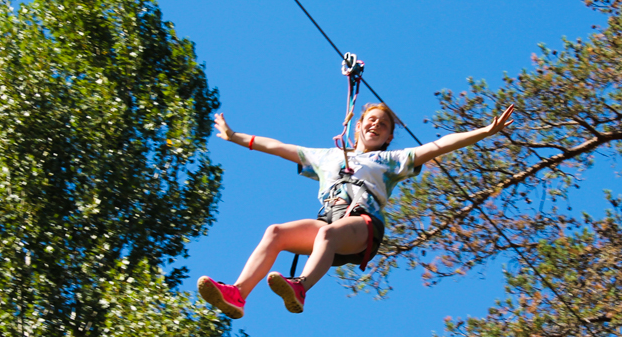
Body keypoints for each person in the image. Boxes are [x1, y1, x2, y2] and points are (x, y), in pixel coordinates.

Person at [197, 101, 515, 317]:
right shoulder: (327, 156)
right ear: (358, 125)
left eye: (384, 125)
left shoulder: (391, 160)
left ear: (389, 136)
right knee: (276, 232)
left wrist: (484, 132)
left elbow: (437, 146)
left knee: (328, 235)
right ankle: (237, 294)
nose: (376, 125)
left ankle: (301, 287)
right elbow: (280, 147)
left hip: (363, 224)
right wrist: (235, 137)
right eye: (371, 120)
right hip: (328, 220)